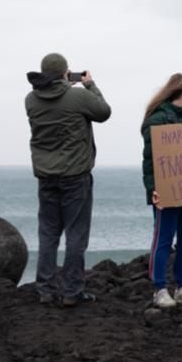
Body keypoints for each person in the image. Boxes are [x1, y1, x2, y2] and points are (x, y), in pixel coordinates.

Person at [25, 53, 112, 306]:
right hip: (76, 176)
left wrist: (66, 84)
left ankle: (45, 289)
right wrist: (89, 85)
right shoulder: (78, 96)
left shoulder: (30, 99)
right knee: (76, 235)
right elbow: (104, 112)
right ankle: (73, 292)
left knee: (48, 234)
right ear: (65, 73)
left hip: (46, 176)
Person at [141, 73, 182, 308]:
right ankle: (159, 289)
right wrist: (153, 189)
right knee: (164, 239)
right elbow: (150, 160)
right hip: (166, 192)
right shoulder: (156, 120)